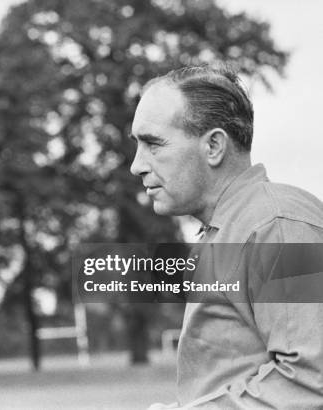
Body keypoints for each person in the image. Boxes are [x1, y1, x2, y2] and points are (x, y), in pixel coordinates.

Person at [130, 65, 323, 408]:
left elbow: (310, 382)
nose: (137, 165)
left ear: (214, 146)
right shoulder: (224, 233)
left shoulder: (277, 227)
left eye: (153, 144)